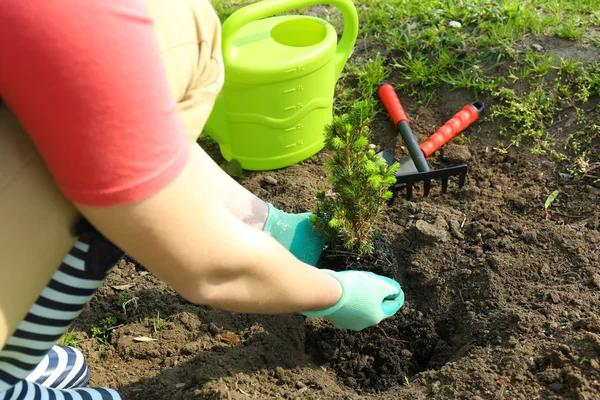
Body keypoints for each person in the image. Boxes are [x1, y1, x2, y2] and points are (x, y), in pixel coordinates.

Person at [0, 0, 405, 398]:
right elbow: (210, 266)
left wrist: (270, 225)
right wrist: (338, 294)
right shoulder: (83, 30)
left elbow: (138, 142)